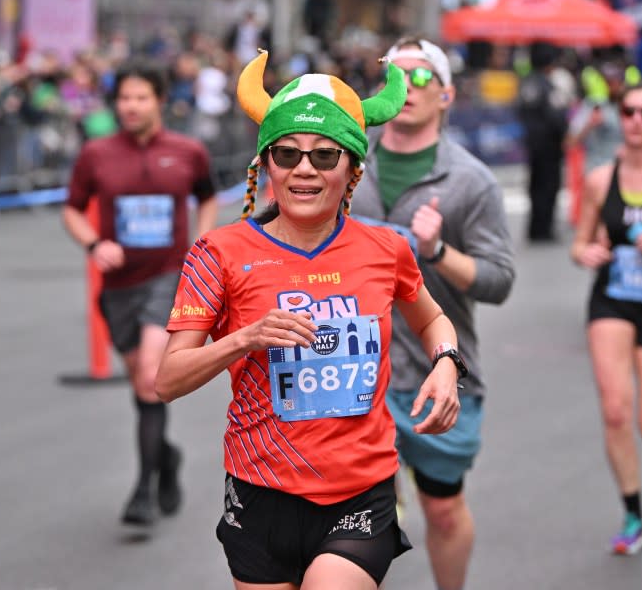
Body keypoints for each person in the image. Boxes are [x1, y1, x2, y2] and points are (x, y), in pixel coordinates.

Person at [156, 50, 466, 589]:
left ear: (352, 168)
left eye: (325, 156)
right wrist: (245, 338)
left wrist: (446, 364)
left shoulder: (385, 249)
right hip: (261, 490)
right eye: (287, 153)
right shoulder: (219, 252)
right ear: (265, 165)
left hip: (360, 492)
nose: (304, 169)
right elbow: (167, 379)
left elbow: (433, 319)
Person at [351, 36, 515, 590]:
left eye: (421, 77)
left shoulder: (471, 180)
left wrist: (439, 251)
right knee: (350, 518)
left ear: (446, 95)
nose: (407, 86)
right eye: (394, 75)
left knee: (442, 511)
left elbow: (499, 281)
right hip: (352, 374)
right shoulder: (342, 161)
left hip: (437, 375)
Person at [62, 61, 217, 526]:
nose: (130, 106)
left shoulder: (188, 151)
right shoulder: (96, 153)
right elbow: (70, 209)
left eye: (140, 97)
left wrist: (201, 244)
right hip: (118, 285)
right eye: (124, 98)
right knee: (140, 380)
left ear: (160, 100)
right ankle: (166, 458)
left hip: (169, 276)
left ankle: (143, 489)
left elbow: (207, 196)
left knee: (152, 372)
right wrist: (93, 243)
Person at [570, 82, 642, 556]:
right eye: (628, 111)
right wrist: (587, 252)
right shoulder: (600, 178)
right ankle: (633, 513)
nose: (635, 120)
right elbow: (580, 242)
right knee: (615, 408)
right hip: (611, 300)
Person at [516, 42, 570, 241]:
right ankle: (544, 229)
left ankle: (535, 228)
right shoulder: (547, 86)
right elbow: (556, 117)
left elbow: (521, 111)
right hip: (549, 146)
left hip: (533, 144)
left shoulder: (526, 83)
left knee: (535, 186)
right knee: (548, 187)